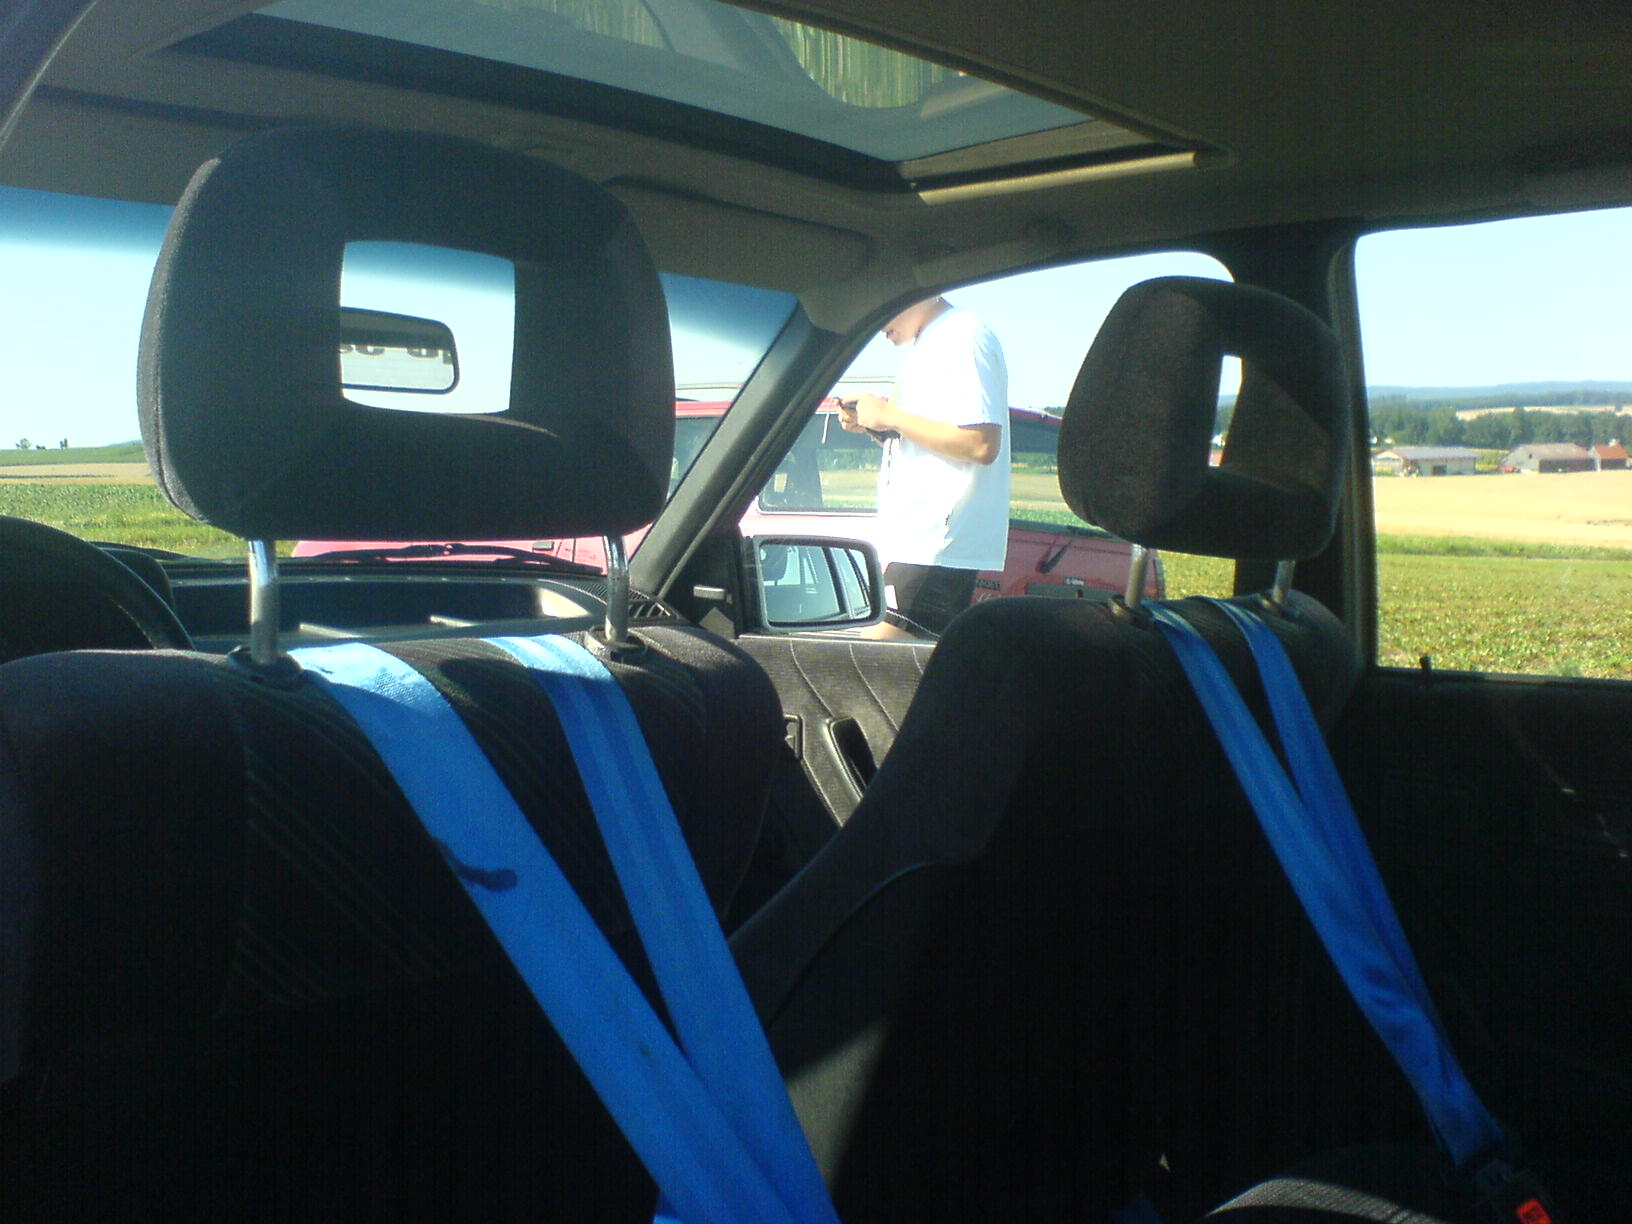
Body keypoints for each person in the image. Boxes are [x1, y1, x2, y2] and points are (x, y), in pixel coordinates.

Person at [838, 295, 1010, 639]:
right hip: (921, 541)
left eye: (883, 303)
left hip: (936, 543)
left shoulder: (963, 335)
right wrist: (876, 425)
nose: (877, 324)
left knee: (872, 658)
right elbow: (931, 440)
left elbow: (980, 444)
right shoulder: (932, 341)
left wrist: (890, 416)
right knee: (899, 662)